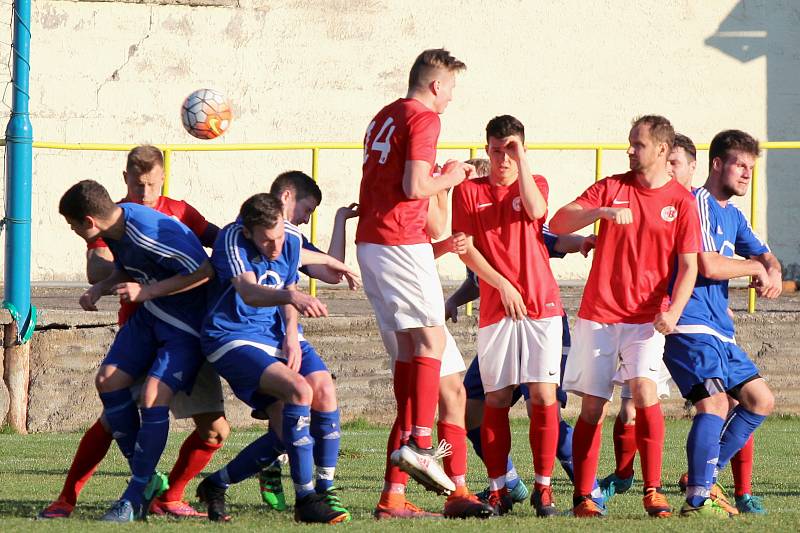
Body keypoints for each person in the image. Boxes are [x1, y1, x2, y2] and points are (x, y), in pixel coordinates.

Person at [40, 145, 228, 520]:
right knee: (108, 380)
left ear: (90, 221)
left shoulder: (149, 230)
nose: (75, 231)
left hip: (183, 324)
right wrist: (102, 286)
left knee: (196, 420)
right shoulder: (116, 224)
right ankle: (142, 485)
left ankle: (141, 493)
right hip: (147, 318)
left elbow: (205, 271)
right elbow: (129, 267)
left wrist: (148, 291)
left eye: (74, 225)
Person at [356, 48, 490, 519]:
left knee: (435, 378)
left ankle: (420, 494)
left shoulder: (385, 115)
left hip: (378, 244)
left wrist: (445, 182)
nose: (451, 97)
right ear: (436, 85)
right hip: (398, 244)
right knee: (429, 346)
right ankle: (420, 443)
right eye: (451, 87)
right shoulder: (424, 118)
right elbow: (414, 188)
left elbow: (432, 217)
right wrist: (447, 174)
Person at [549, 115, 700, 518]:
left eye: (639, 144)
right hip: (599, 315)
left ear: (663, 150)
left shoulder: (681, 202)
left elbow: (688, 267)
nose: (631, 150)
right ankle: (583, 497)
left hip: (646, 319)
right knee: (593, 408)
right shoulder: (612, 187)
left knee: (645, 392)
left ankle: (652, 491)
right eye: (630, 143)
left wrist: (675, 311)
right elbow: (557, 222)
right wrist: (600, 212)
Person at [195, 193, 351, 524]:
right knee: (299, 391)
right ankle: (306, 499)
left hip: (276, 334)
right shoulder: (232, 239)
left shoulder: (288, 237)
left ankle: (323, 489)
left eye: (279, 236)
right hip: (231, 336)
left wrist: (292, 335)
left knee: (320, 391)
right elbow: (250, 292)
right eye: (267, 241)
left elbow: (290, 283)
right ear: (249, 232)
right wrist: (291, 296)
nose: (276, 247)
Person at [451, 115, 565, 516]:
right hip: (498, 308)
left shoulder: (534, 183)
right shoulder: (467, 192)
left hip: (542, 306)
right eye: (497, 151)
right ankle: (499, 488)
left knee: (542, 396)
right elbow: (465, 248)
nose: (503, 159)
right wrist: (502, 284)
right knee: (496, 397)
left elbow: (537, 211)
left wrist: (523, 160)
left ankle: (544, 488)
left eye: (511, 150)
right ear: (487, 150)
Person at [663, 129, 780, 517]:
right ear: (717, 164)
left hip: (720, 330)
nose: (746, 174)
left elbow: (765, 256)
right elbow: (709, 264)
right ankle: (698, 497)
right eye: (739, 165)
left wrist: (773, 270)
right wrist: (754, 268)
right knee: (713, 403)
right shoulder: (696, 202)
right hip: (690, 323)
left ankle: (699, 475)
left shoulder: (734, 215)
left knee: (760, 400)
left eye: (750, 167)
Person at [452, 226, 603, 507]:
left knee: (543, 410)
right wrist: (453, 301)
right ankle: (508, 482)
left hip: (539, 322)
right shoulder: (472, 224)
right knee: (469, 410)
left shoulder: (512, 217)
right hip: (500, 325)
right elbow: (478, 279)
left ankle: (589, 492)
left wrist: (581, 241)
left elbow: (556, 240)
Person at [599, 134, 699, 502]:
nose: (670, 169)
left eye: (677, 163)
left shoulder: (691, 204)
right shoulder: (645, 195)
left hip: (682, 320)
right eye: (667, 162)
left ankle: (697, 478)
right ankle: (624, 475)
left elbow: (695, 265)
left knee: (712, 400)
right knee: (629, 403)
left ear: (692, 166)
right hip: (640, 316)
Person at [254, 170, 360, 515]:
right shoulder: (255, 233)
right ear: (287, 196)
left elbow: (329, 272)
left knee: (324, 390)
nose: (305, 218)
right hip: (255, 336)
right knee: (284, 419)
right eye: (307, 209)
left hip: (289, 334)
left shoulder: (295, 238)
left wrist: (341, 219)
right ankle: (269, 468)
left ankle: (325, 487)